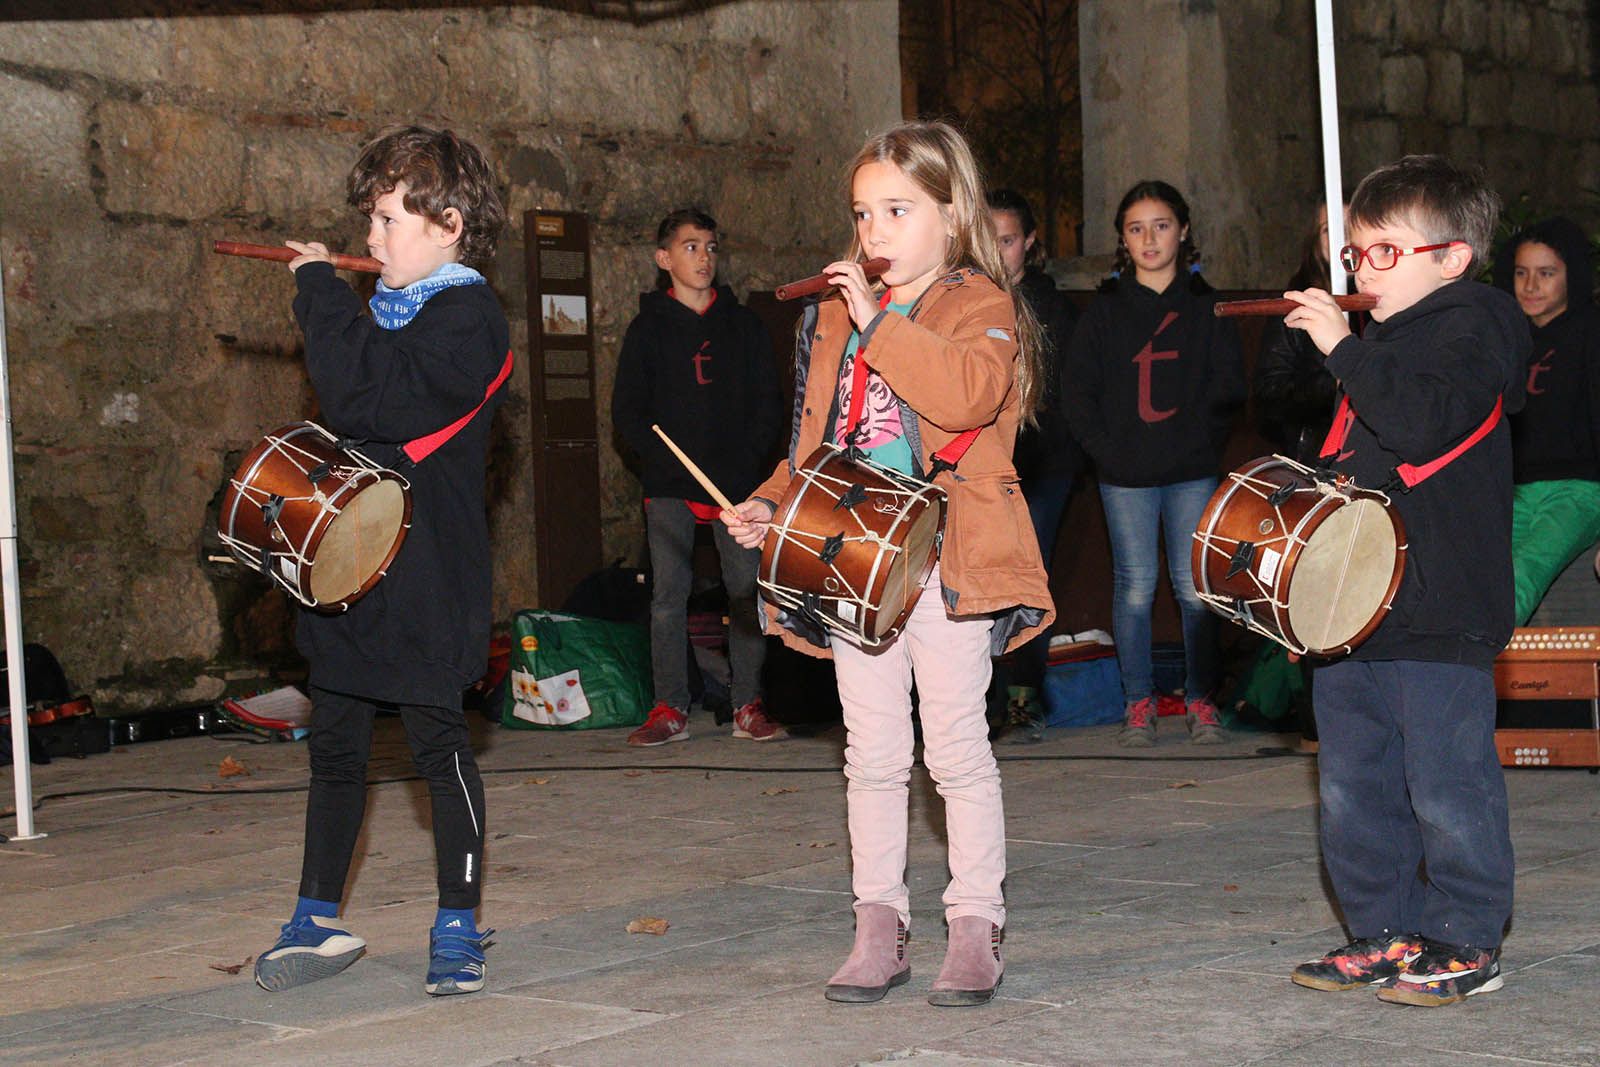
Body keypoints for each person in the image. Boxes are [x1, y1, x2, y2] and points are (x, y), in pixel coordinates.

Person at [723, 121, 1053, 1006]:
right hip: (854, 559)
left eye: (897, 210)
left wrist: (881, 327)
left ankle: (976, 923)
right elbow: (817, 443)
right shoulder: (833, 314)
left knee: (955, 748)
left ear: (951, 214)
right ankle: (878, 924)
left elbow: (965, 395)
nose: (874, 233)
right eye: (863, 214)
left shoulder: (980, 303)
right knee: (870, 753)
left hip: (947, 554)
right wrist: (770, 502)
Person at [253, 126, 510, 996]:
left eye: (388, 218)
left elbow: (371, 396)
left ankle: (458, 921)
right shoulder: (393, 309)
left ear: (448, 224)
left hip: (430, 576)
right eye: (368, 218)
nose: (370, 237)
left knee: (439, 747)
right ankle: (315, 914)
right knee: (336, 746)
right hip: (354, 572)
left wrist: (321, 296)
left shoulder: (469, 319)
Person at [1281, 154, 1527, 1006]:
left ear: (1452, 258)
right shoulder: (1380, 339)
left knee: (1446, 779)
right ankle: (1383, 927)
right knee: (1355, 780)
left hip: (1441, 599)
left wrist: (1345, 349)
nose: (1362, 269)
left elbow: (1422, 422)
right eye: (1354, 253)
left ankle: (1465, 934)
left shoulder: (1477, 326)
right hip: (1357, 604)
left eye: (1385, 251)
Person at [1062, 180, 1244, 747]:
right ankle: (1137, 702)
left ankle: (1200, 700)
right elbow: (1078, 393)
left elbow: (1227, 387)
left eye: (1160, 225)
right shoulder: (1105, 313)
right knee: (1135, 587)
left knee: (1196, 590)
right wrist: (1108, 451)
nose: (1149, 238)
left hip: (1190, 469)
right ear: (1122, 239)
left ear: (1183, 231)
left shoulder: (1207, 307)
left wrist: (1196, 445)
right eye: (1136, 228)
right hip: (1123, 474)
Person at [611, 208, 786, 746]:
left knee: (745, 594)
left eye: (710, 247)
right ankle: (670, 707)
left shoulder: (743, 325)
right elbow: (628, 413)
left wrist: (751, 462)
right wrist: (658, 464)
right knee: (669, 597)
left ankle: (747, 704)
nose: (703, 258)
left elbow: (769, 403)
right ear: (664, 259)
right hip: (669, 485)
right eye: (690, 248)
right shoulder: (647, 329)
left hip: (736, 485)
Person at [986, 188, 1080, 742]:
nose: (998, 254)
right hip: (980, 470)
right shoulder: (964, 302)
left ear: (1028, 244)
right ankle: (984, 700)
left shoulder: (1050, 308)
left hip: (1041, 467)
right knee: (980, 584)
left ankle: (1024, 694)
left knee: (1028, 581)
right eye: (988, 240)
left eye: (1008, 241)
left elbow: (1066, 395)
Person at [1491, 217, 1600, 623]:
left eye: (1546, 273)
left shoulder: (1591, 333)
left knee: (1522, 576)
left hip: (1577, 489)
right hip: (1513, 492)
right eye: (1521, 273)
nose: (1531, 286)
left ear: (1571, 276)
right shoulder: (1505, 340)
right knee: (1479, 575)